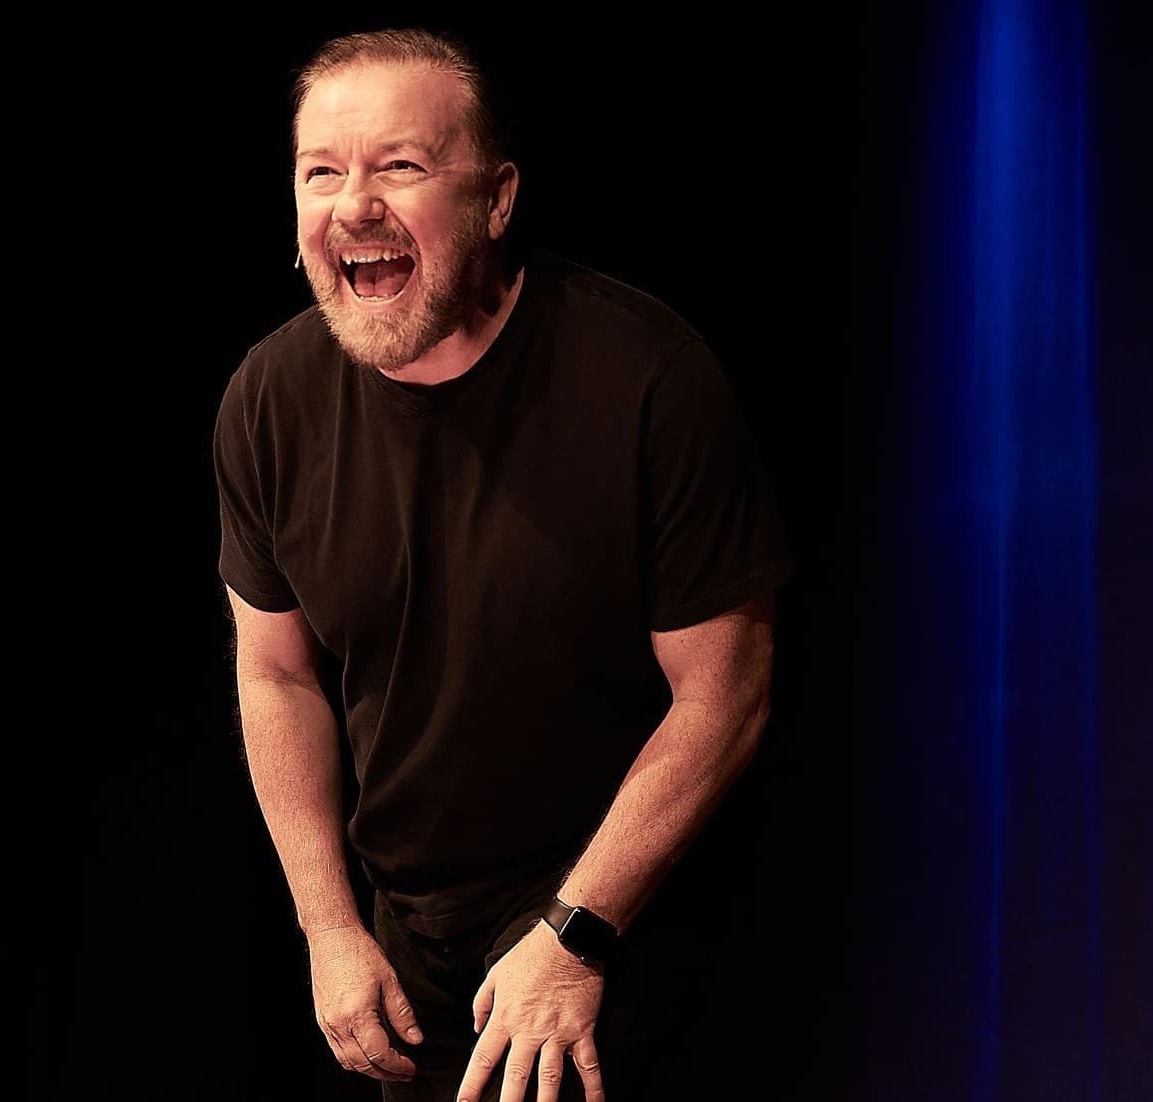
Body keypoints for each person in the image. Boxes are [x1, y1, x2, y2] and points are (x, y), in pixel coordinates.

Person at [213, 28, 795, 1101]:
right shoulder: (269, 400)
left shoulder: (646, 378)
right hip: (414, 953)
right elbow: (276, 672)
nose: (353, 205)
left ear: (496, 198)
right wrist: (329, 926)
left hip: (622, 930)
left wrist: (575, 932)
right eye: (321, 172)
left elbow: (726, 692)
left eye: (400, 165)